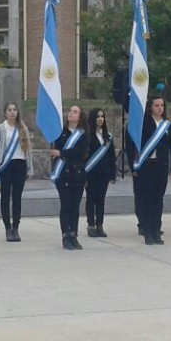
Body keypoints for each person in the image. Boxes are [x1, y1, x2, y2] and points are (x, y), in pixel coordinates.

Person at [129, 96, 171, 245]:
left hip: (161, 166)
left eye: (162, 105)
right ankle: (147, 231)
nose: (160, 108)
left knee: (158, 199)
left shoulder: (168, 126)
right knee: (146, 199)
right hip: (146, 166)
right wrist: (133, 166)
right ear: (150, 107)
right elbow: (132, 144)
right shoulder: (143, 123)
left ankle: (157, 231)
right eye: (156, 105)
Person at [0, 103, 32, 242]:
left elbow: (28, 150)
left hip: (20, 163)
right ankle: (7, 227)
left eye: (14, 110)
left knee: (17, 197)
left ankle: (16, 228)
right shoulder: (0, 129)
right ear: (5, 113)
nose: (12, 112)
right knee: (5, 197)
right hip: (6, 165)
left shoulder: (23, 128)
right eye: (9, 110)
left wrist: (29, 167)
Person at [51, 105, 89, 250]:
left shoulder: (83, 134)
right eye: (70, 111)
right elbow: (57, 149)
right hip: (63, 174)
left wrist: (63, 153)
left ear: (80, 116)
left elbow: (81, 152)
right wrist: (64, 153)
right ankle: (65, 235)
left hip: (78, 174)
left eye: (75, 112)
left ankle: (73, 234)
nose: (71, 114)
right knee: (66, 205)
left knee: (75, 206)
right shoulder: (61, 133)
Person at [84, 107, 117, 238]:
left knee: (101, 200)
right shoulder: (87, 135)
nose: (100, 119)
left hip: (104, 173)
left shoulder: (107, 136)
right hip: (91, 173)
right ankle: (91, 224)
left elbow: (111, 156)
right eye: (97, 116)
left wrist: (112, 174)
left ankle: (100, 225)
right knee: (91, 199)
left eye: (102, 116)